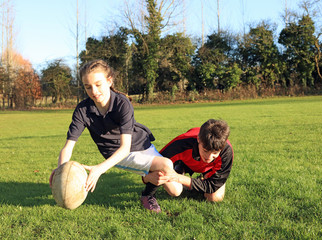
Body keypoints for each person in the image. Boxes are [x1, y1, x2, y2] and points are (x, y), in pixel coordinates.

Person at [49, 59, 180, 213]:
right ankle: (147, 195)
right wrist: (60, 171)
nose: (94, 91)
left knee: (175, 190)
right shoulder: (82, 110)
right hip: (117, 154)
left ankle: (153, 176)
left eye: (98, 84)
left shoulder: (122, 103)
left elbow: (126, 145)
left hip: (140, 143)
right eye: (88, 87)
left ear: (109, 81)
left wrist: (98, 170)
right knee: (166, 165)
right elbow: (68, 146)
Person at [141, 119, 233, 203]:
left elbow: (213, 185)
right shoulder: (181, 143)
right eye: (205, 150)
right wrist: (148, 192)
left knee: (215, 198)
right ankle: (180, 169)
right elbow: (156, 164)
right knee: (174, 190)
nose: (209, 157)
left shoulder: (226, 152)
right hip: (184, 163)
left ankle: (193, 183)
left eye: (215, 153)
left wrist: (178, 178)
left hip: (209, 169)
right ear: (198, 140)